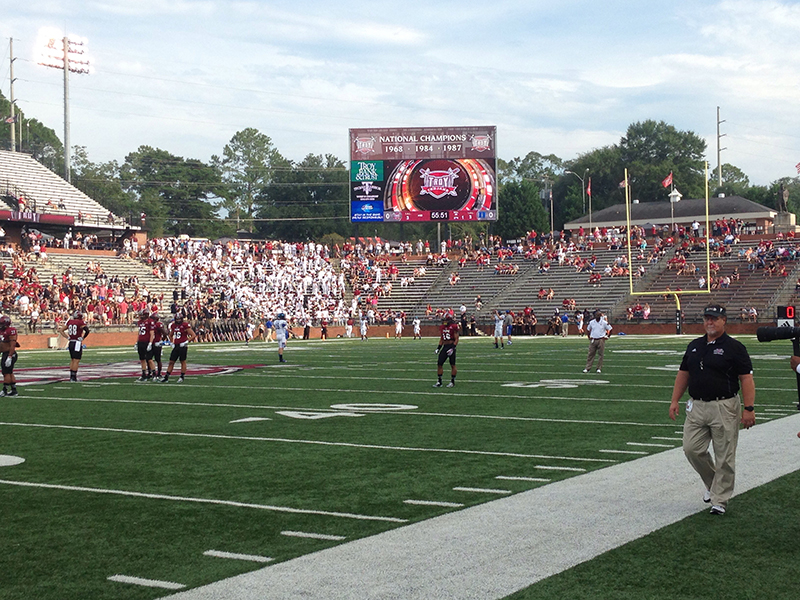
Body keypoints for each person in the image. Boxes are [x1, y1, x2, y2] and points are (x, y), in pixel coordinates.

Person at [669, 304, 755, 515]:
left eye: (714, 318)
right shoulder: (695, 345)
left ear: (724, 320)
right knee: (692, 449)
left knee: (724, 454)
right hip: (697, 405)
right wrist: (674, 400)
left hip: (724, 405)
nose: (710, 322)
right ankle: (713, 484)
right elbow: (683, 374)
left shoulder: (735, 347)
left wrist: (749, 408)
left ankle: (720, 500)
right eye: (707, 318)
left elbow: (746, 379)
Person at [160, 313, 197, 383]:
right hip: (176, 345)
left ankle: (182, 376)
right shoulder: (174, 325)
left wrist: (186, 342)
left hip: (183, 346)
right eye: (177, 319)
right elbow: (171, 335)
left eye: (179, 319)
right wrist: (171, 343)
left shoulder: (185, 325)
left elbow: (193, 335)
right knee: (171, 361)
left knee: (182, 361)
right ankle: (166, 377)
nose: (178, 320)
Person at [59, 310, 89, 382]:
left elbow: (61, 330)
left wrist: (67, 337)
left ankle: (71, 377)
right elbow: (87, 330)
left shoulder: (70, 322)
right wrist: (83, 337)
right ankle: (73, 378)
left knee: (72, 360)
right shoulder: (80, 322)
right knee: (76, 360)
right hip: (77, 342)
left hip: (71, 342)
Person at [434, 314, 459, 388]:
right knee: (439, 364)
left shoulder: (453, 327)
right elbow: (442, 338)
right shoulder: (442, 327)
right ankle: (439, 381)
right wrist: (438, 348)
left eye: (446, 320)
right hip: (444, 347)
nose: (444, 322)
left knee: (452, 364)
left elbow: (456, 339)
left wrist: (453, 348)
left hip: (451, 346)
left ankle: (452, 381)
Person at [0, 315, 19, 396]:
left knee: (6, 372)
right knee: (9, 372)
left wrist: (10, 356)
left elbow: (12, 345)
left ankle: (4, 390)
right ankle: (14, 390)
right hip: (5, 353)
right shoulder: (1, 331)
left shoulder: (11, 331)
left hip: (9, 354)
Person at [135, 309, 156, 382]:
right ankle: (144, 375)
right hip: (141, 342)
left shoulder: (150, 322)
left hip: (147, 342)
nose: (141, 316)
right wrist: (137, 342)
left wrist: (150, 343)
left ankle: (154, 374)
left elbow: (152, 333)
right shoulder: (140, 322)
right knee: (142, 359)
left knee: (149, 359)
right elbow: (139, 333)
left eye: (142, 315)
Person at [151, 312, 169, 380]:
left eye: (153, 318)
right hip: (151, 343)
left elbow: (165, 333)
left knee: (157, 359)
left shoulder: (159, 324)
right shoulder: (151, 324)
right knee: (149, 359)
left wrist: (162, 340)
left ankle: (159, 373)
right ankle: (151, 372)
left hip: (157, 343)